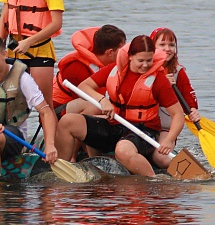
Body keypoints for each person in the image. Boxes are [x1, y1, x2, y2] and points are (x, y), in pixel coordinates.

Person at [53, 35, 185, 177]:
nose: (146, 65)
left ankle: (154, 180)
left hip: (143, 131)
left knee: (122, 150)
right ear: (129, 57)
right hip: (115, 126)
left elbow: (178, 115)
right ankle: (62, 168)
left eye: (149, 60)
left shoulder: (158, 80)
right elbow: (84, 86)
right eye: (140, 60)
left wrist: (170, 139)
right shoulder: (113, 70)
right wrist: (102, 100)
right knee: (68, 121)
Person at [0, 34, 59, 182]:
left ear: (4, 54)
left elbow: (46, 112)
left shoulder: (23, 78)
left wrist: (50, 145)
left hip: (15, 135)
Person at [50, 25, 126, 117]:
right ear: (110, 52)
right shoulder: (76, 69)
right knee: (97, 106)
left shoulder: (104, 65)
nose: (125, 53)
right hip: (54, 112)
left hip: (82, 105)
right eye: (122, 50)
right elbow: (86, 101)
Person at [150, 27, 202, 125]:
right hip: (145, 124)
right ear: (152, 47)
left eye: (172, 45)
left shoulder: (178, 72)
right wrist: (162, 84)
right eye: (162, 45)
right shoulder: (143, 69)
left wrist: (193, 111)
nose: (168, 49)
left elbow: (189, 101)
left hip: (166, 126)